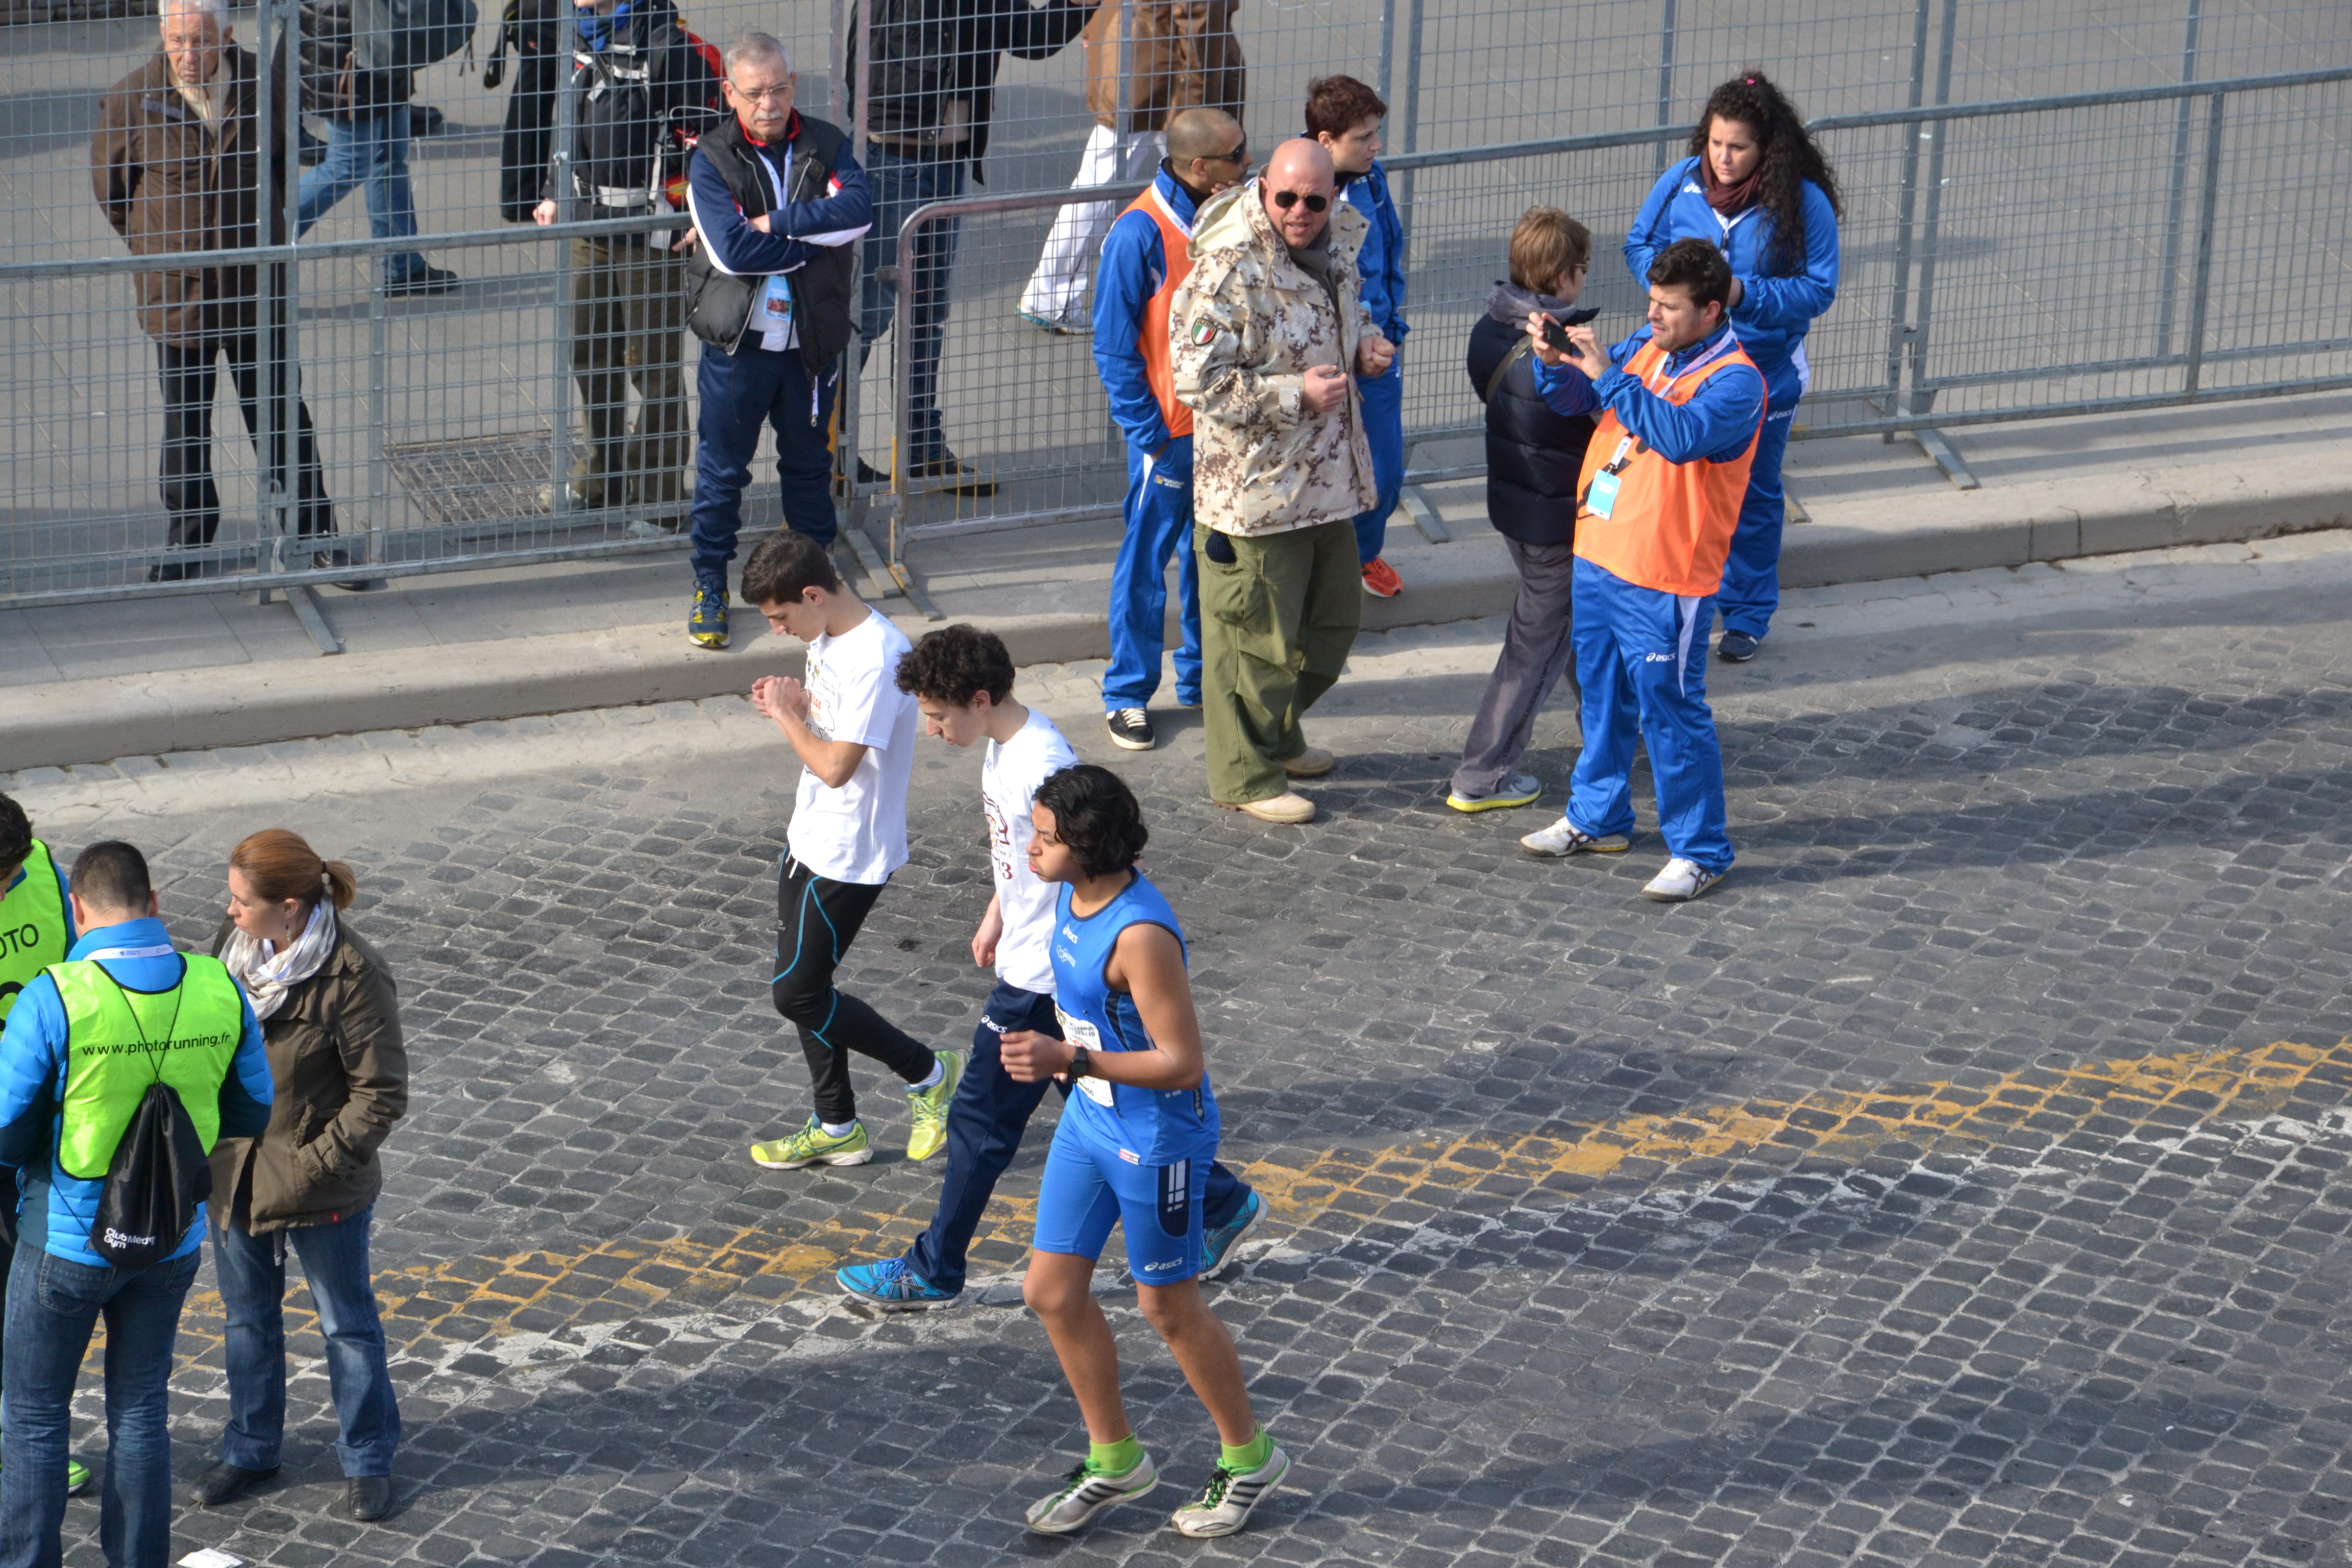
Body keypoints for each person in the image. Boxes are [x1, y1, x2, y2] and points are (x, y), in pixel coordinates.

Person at [834, 627, 1263, 1309]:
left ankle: (936, 1267)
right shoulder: (1008, 747)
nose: (936, 731)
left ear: (979, 699)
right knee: (1087, 1099)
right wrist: (998, 913)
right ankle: (1222, 1202)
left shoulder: (1040, 761)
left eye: (940, 717)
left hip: (1042, 977)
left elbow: (1093, 861)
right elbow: (1024, 850)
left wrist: (1036, 943)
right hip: (1031, 956)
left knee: (977, 1122)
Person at [1005, 764, 1286, 1539]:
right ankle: (1116, 1459)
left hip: (1156, 1141)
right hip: (1092, 1122)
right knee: (1052, 1293)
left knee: (1167, 1306)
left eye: (1045, 838)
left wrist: (1070, 1061)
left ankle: (1251, 1456)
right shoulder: (1073, 890)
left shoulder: (1141, 936)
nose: (1032, 848)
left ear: (1088, 848)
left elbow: (1182, 1063)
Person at [0, 841, 274, 1568]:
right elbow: (253, 1109)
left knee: (31, 1419)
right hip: (172, 1241)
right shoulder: (220, 985)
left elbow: (3, 1127)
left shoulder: (56, 996)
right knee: (141, 1411)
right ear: (154, 905)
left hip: (63, 1239)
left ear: (78, 909)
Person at [1517, 238, 1763, 902]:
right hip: (1602, 555)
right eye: (1650, 302)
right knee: (1599, 696)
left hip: (1666, 575)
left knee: (1671, 712)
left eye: (1669, 307)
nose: (1652, 316)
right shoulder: (1648, 347)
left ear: (1711, 311)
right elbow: (1578, 399)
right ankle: (1598, 817)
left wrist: (1610, 376)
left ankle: (1702, 849)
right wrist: (1552, 363)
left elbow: (1679, 437)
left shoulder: (1737, 382)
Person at [1169, 138, 1393, 825]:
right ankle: (1245, 772)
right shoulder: (1227, 269)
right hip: (1256, 497)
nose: (1300, 212)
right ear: (1264, 189)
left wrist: (1364, 344)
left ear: (1333, 197)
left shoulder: (1340, 245)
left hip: (1328, 480)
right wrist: (1294, 395)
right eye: (1286, 198)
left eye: (1315, 200)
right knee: (1256, 645)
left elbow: (1326, 326)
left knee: (1330, 627)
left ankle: (1277, 735)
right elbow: (1197, 380)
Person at [186, 831, 406, 1524]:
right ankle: (252, 1448)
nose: (229, 910)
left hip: (319, 1184)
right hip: (236, 1178)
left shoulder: (354, 973)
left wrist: (313, 1167)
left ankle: (368, 1455)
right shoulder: (233, 948)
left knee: (347, 1325)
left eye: (241, 900)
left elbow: (381, 1095)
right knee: (248, 1322)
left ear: (288, 907)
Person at [94, 0, 339, 585]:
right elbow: (114, 194)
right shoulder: (132, 99)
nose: (188, 54)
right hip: (179, 294)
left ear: (227, 35)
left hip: (257, 289)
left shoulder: (260, 84)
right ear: (162, 34)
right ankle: (189, 538)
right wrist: (157, 250)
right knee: (185, 422)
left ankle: (314, 534)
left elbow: (283, 171)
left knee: (281, 413)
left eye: (200, 41)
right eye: (177, 41)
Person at [738, 531, 960, 1169]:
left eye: (781, 616)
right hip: (808, 834)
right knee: (812, 988)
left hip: (849, 853)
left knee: (797, 994)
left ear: (813, 595)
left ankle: (928, 1072)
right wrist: (799, 702)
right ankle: (837, 1126)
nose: (778, 630)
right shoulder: (827, 637)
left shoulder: (878, 654)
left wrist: (786, 717)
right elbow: (838, 722)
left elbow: (837, 766)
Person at [1625, 69, 1840, 664]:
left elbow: (1819, 290)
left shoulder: (1803, 202)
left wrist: (1742, 293)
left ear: (1766, 149)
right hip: (1685, 367)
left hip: (1766, 372)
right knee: (1676, 481)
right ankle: (1675, 596)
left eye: (1737, 147)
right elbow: (1638, 244)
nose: (1721, 158)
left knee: (1753, 493)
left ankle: (1746, 614)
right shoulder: (1681, 181)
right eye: (1714, 143)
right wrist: (1681, 281)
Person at [848, 0, 1099, 495]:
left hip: (945, 157)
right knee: (871, 313)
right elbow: (875, 55)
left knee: (928, 310)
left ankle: (921, 444)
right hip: (890, 156)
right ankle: (831, 448)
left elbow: (1029, 36)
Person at [680, 33, 874, 651]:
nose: (770, 103)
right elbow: (730, 250)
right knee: (721, 475)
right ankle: (710, 584)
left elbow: (862, 212)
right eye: (756, 92)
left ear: (794, 84)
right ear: (730, 93)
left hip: (811, 345)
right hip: (739, 349)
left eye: (781, 88)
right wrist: (814, 238)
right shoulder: (711, 157)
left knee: (810, 469)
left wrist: (777, 224)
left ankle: (819, 590)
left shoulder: (826, 143)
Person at [1091, 107, 1252, 754]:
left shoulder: (1233, 218)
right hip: (1171, 436)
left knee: (1210, 560)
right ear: (1200, 168)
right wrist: (1150, 436)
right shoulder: (1139, 234)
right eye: (1238, 155)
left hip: (1226, 428)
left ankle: (1199, 681)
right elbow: (1113, 346)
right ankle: (1126, 694)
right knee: (1146, 564)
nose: (1249, 162)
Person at [530, 0, 723, 528]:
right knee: (590, 352)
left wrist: (696, 213)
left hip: (651, 232)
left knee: (652, 366)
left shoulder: (666, 46)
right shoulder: (580, 32)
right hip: (589, 225)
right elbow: (566, 115)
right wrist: (553, 189)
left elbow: (709, 136)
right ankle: (603, 480)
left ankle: (661, 500)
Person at [1448, 208, 1598, 814]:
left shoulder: (1491, 327)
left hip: (1516, 503)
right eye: (1583, 269)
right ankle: (1482, 773)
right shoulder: (1557, 348)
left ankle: (1616, 730)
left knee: (1576, 631)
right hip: (1556, 518)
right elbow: (1597, 416)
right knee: (1536, 645)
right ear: (1563, 276)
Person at [1016, 0, 1244, 335]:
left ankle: (1053, 292)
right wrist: (1200, 102)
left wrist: (1096, 31)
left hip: (1130, 53)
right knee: (1198, 188)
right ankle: (1054, 293)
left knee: (1101, 181)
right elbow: (1198, 18)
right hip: (1165, 74)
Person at [0, 799, 92, 1502]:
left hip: (29, 1125)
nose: (5, 889)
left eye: (9, 875)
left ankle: (25, 1442)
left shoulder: (46, 874)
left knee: (24, 1295)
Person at [1306, 75, 1409, 601]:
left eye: (1376, 133)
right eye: (1364, 137)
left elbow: (1387, 258)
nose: (1377, 145)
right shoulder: (1303, 199)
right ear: (1326, 142)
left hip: (1380, 354)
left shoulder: (1374, 178)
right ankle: (1323, 577)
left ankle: (1363, 555)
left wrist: (1389, 330)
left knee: (1387, 473)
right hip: (1328, 365)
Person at [295, 0, 458, 293]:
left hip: (380, 41)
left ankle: (401, 265)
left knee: (389, 156)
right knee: (347, 166)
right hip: (352, 45)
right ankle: (256, 248)